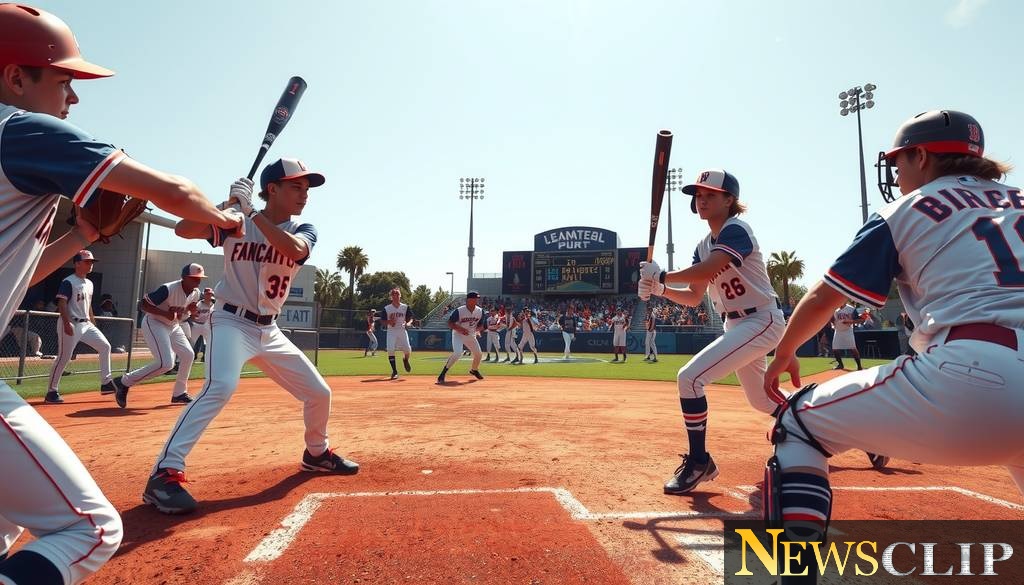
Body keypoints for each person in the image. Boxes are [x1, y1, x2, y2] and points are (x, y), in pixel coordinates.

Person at [0, 4, 244, 582]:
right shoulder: (22, 129)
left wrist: (83, 234)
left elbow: (24, 273)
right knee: (90, 530)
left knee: (8, 523)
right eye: (63, 80)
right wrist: (225, 222)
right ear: (14, 77)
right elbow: (174, 189)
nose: (73, 99)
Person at [762, 110, 1024, 582]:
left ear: (922, 154)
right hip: (992, 370)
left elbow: (825, 296)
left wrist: (784, 352)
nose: (897, 172)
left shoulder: (906, 208)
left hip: (978, 376)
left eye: (899, 161)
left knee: (797, 423)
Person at [143, 158, 358, 515]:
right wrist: (225, 207)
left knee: (319, 393)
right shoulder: (235, 223)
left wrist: (252, 213)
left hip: (269, 329)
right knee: (221, 386)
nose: (304, 195)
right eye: (296, 187)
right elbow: (184, 229)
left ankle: (316, 453)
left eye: (306, 189)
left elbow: (294, 250)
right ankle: (164, 474)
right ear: (272, 188)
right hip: (230, 322)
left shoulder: (302, 226)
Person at [637, 168, 786, 495]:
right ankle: (834, 425)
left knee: (689, 378)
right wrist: (659, 289)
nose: (701, 200)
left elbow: (709, 268)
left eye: (710, 195)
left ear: (729, 200)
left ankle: (700, 460)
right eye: (698, 196)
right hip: (740, 324)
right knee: (763, 400)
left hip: (760, 319)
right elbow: (693, 296)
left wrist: (662, 274)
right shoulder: (703, 245)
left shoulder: (736, 230)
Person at [113, 264, 204, 406]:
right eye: (194, 278)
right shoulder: (168, 289)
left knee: (188, 354)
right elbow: (143, 305)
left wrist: (190, 311)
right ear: (184, 277)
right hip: (154, 322)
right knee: (166, 363)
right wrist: (165, 313)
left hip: (173, 326)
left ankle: (179, 393)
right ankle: (123, 382)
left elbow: (182, 314)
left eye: (199, 278)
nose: (197, 281)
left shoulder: (196, 293)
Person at [44, 250, 114, 403]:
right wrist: (66, 322)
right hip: (71, 322)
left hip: (86, 323)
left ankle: (106, 383)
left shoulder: (89, 283)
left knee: (105, 346)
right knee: (64, 357)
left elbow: (88, 306)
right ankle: (51, 392)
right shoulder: (68, 281)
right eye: (87, 261)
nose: (90, 264)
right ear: (77, 263)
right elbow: (62, 303)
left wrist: (93, 323)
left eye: (91, 262)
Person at [437, 291, 486, 384]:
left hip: (470, 334)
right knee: (457, 353)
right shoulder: (460, 310)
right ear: (469, 300)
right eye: (475, 298)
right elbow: (450, 323)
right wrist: (460, 329)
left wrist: (478, 330)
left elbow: (480, 325)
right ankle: (443, 373)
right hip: (458, 334)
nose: (477, 300)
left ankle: (474, 370)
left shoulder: (480, 311)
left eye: (477, 298)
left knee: (478, 354)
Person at [382, 288, 414, 380]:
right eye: (393, 295)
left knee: (407, 350)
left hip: (402, 330)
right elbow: (383, 321)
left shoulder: (405, 307)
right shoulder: (387, 308)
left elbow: (411, 318)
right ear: (391, 297)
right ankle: (395, 371)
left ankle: (405, 359)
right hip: (391, 331)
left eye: (397, 294)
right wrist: (389, 321)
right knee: (390, 349)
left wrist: (408, 323)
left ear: (400, 296)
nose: (395, 296)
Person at [830, 302, 863, 370]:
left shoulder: (851, 309)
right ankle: (840, 364)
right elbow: (833, 320)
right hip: (838, 330)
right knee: (835, 348)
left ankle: (859, 366)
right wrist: (832, 322)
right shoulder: (835, 309)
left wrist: (849, 321)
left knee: (853, 348)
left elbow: (861, 320)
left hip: (848, 330)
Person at [189, 287, 214, 362]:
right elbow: (192, 315)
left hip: (206, 325)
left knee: (210, 341)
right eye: (207, 294)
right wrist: (194, 320)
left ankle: (208, 357)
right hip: (196, 325)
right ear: (204, 294)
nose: (209, 295)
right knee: (191, 342)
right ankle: (188, 357)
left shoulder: (213, 304)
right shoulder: (199, 304)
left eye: (210, 294)